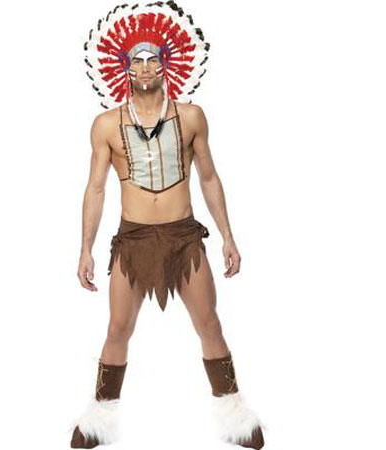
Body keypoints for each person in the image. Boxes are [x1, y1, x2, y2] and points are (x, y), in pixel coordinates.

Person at [68, 2, 266, 448]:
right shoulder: (106, 125)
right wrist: (85, 248)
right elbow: (95, 188)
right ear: (124, 65)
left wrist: (229, 236)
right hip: (133, 239)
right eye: (136, 59)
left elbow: (209, 177)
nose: (144, 67)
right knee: (118, 330)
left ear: (165, 62)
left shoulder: (191, 117)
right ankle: (98, 419)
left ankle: (236, 416)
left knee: (209, 324)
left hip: (183, 237)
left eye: (152, 58)